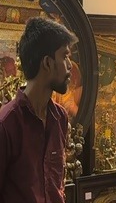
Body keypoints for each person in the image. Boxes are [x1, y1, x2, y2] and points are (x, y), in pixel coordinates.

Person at [0, 17, 77, 203]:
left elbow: (57, 185)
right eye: (65, 56)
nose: (70, 65)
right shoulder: (6, 124)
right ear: (47, 63)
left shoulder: (60, 118)